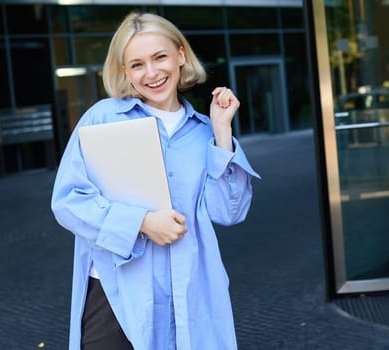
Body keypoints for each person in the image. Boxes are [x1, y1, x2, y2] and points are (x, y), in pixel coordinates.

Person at [51, 11, 259, 350]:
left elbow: (229, 213)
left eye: (160, 57)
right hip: (117, 292)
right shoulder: (103, 118)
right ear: (124, 72)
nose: (151, 73)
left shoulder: (206, 131)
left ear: (180, 55)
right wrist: (142, 223)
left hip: (189, 291)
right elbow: (68, 202)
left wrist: (222, 133)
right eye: (136, 64)